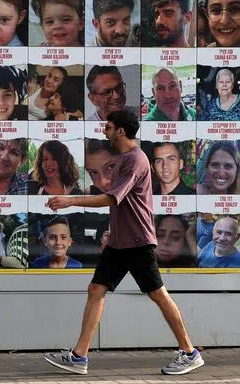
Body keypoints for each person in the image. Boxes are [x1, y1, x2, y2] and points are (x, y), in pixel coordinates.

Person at [45, 110, 203, 376]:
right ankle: (79, 356)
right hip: (119, 243)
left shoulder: (135, 159)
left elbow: (111, 198)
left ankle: (189, 352)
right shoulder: (123, 159)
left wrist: (70, 200)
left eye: (108, 126)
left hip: (138, 242)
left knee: (158, 294)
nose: (104, 130)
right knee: (96, 289)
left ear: (120, 131)